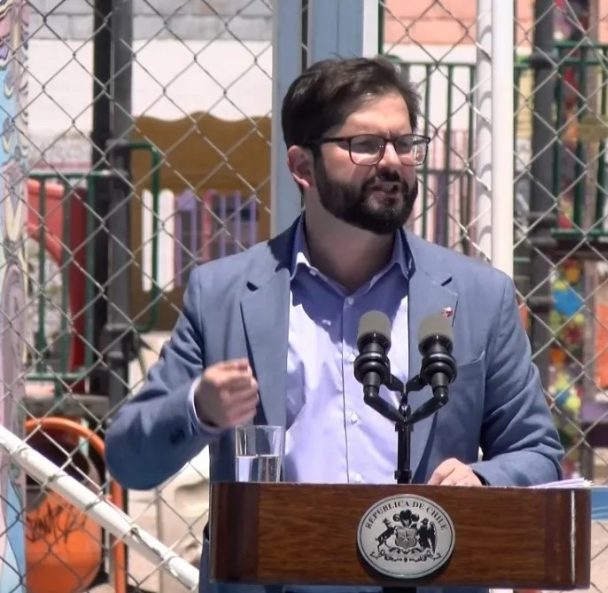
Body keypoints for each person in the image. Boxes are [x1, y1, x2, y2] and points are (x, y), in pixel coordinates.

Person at [105, 56, 564, 593]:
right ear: (302, 166)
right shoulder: (223, 296)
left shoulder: (479, 297)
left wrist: (482, 480)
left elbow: (538, 454)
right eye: (366, 145)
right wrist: (199, 409)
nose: (392, 162)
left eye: (405, 144)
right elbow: (129, 460)